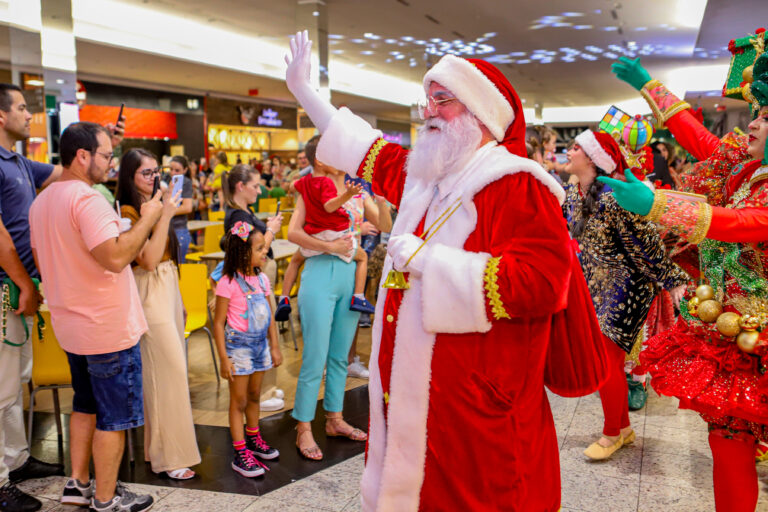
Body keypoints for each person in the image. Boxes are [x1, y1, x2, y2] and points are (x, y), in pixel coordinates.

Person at [284, 31, 607, 510]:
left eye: (443, 100)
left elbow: (542, 282)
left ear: (481, 114)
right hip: (421, 402)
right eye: (426, 101)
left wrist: (428, 262)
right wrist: (306, 92)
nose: (428, 112)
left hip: (477, 409)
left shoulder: (517, 184)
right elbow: (364, 148)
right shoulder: (427, 174)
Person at [602, 50, 768, 512]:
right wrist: (646, 83)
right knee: (727, 440)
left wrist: (655, 205)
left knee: (734, 443)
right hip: (735, 336)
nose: (751, 124)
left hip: (756, 338)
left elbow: (737, 222)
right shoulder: (745, 169)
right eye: (755, 113)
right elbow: (696, 137)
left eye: (765, 116)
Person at [0, 84, 118, 512]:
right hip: (6, 286)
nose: (29, 114)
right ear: (0, 115)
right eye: (21, 107)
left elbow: (64, 172)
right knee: (0, 385)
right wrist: (25, 283)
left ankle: (15, 460)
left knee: (14, 382)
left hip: (25, 288)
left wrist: (98, 152)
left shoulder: (19, 162)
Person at [29, 122, 156, 512]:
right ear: (82, 156)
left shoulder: (42, 202)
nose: (110, 162)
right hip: (106, 328)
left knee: (85, 404)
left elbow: (43, 260)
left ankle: (78, 484)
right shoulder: (87, 200)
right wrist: (148, 217)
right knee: (114, 418)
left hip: (72, 326)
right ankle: (105, 497)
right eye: (105, 154)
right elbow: (117, 257)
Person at [561, 129, 688, 460]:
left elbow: (645, 241)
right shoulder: (571, 193)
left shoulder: (613, 196)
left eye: (575, 147)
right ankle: (624, 430)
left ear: (591, 159)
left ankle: (611, 434)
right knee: (606, 363)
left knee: (606, 363)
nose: (568, 151)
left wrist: (672, 279)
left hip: (625, 286)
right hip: (594, 286)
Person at [116, 148, 201, 481]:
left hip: (166, 285)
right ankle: (169, 456)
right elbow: (147, 260)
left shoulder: (150, 206)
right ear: (130, 176)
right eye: (146, 173)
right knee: (167, 373)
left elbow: (165, 260)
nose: (154, 179)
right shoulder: (127, 211)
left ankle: (158, 450)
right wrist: (165, 214)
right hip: (147, 288)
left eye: (156, 172)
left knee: (169, 372)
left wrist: (177, 294)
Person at [274, 137, 377, 320]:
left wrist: (296, 182)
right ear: (321, 161)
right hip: (332, 235)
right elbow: (330, 206)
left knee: (296, 259)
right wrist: (348, 195)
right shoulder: (327, 184)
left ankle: (284, 297)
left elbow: (291, 186)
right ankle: (359, 296)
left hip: (313, 235)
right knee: (362, 257)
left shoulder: (306, 182)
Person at [212, 223, 282, 477]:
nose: (265, 252)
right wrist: (223, 358)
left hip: (260, 346)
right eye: (260, 248)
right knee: (239, 400)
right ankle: (240, 452)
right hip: (238, 349)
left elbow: (270, 317)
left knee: (255, 395)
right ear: (243, 253)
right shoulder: (227, 283)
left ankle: (253, 439)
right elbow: (218, 323)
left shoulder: (262, 279)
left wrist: (274, 345)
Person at [166, 155, 195, 261]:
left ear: (185, 170)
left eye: (177, 170)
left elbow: (187, 208)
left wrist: (166, 212)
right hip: (167, 229)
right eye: (171, 169)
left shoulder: (185, 182)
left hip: (178, 229)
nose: (173, 173)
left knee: (177, 268)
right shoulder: (166, 179)